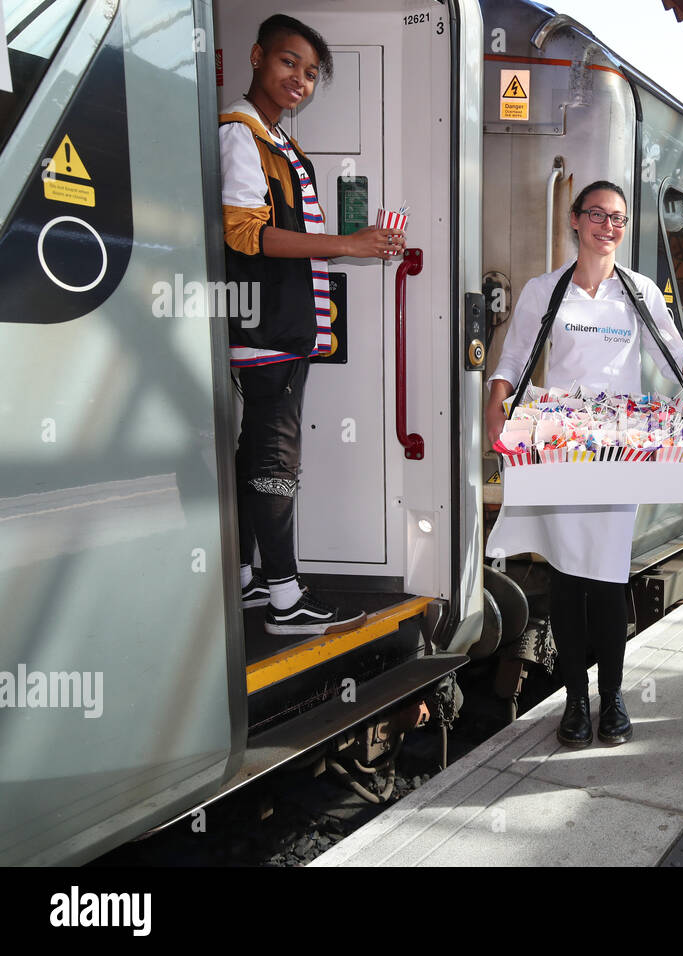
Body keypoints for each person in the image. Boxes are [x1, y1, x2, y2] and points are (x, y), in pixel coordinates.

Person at [484, 181, 683, 747]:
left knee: (607, 580)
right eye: (597, 215)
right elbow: (513, 357)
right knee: (565, 578)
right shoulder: (545, 290)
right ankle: (574, 706)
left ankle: (611, 700)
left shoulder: (637, 292)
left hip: (618, 448)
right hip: (562, 445)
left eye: (618, 218)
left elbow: (678, 362)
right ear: (575, 220)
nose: (608, 226)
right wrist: (496, 403)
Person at [220, 15, 404, 635]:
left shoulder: (272, 139)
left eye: (311, 72)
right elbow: (244, 234)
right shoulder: (241, 135)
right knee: (275, 458)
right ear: (256, 57)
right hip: (266, 327)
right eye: (288, 63)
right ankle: (284, 598)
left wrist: (354, 246)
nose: (300, 78)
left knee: (255, 453)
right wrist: (347, 244)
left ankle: (247, 582)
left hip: (279, 327)